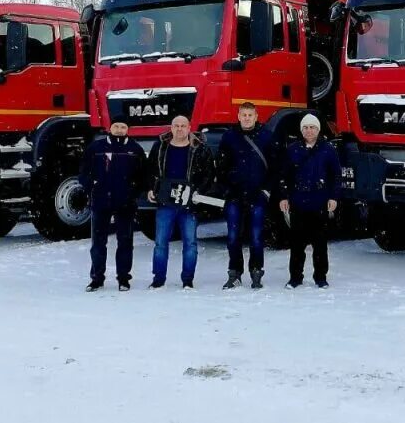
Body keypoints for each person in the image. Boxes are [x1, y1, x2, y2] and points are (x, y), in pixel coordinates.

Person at [147, 115, 215, 289]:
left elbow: (209, 173)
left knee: (190, 243)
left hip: (189, 204)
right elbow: (149, 170)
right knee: (160, 243)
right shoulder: (160, 147)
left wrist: (198, 192)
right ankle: (158, 279)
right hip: (165, 203)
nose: (179, 129)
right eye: (176, 126)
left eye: (183, 126)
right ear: (171, 128)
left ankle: (187, 280)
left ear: (189, 127)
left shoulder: (200, 149)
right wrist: (150, 189)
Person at [215, 102, 276, 290]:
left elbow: (275, 166)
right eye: (244, 115)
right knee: (233, 236)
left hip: (257, 195)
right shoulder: (229, 137)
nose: (247, 118)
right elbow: (221, 166)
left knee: (256, 236)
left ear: (256, 116)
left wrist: (266, 190)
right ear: (238, 116)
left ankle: (256, 272)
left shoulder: (266, 136)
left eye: (250, 115)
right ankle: (235, 273)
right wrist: (227, 189)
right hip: (234, 195)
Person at [81, 121, 148, 292]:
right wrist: (92, 187)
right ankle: (97, 278)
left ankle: (124, 278)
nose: (119, 130)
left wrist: (133, 192)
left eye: (123, 127)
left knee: (125, 242)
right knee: (98, 242)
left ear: (128, 129)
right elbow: (83, 173)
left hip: (125, 203)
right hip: (101, 201)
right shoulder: (96, 148)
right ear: (109, 128)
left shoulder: (135, 149)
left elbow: (143, 176)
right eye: (116, 126)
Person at [278, 114, 342, 289]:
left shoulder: (327, 149)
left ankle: (321, 277)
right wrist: (284, 196)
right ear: (301, 130)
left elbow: (336, 175)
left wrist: (334, 197)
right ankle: (295, 277)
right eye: (305, 127)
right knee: (297, 244)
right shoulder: (293, 149)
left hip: (319, 202)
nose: (309, 130)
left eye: (312, 127)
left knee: (320, 244)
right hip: (298, 202)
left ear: (318, 129)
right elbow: (284, 176)